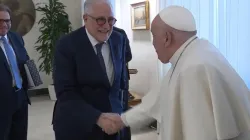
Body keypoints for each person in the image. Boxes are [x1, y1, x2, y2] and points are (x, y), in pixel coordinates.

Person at [107, 5, 250, 140]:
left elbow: (199, 133)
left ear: (167, 38)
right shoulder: (197, 51)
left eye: (154, 36)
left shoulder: (193, 69)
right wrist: (122, 120)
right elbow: (157, 100)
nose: (153, 43)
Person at [52, 0, 130, 140]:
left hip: (113, 125)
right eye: (100, 20)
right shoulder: (66, 45)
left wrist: (123, 118)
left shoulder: (118, 39)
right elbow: (65, 93)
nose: (107, 26)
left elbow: (121, 84)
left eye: (111, 20)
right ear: (86, 18)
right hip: (78, 126)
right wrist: (97, 117)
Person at [0, 4, 30, 140]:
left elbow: (24, 60)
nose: (4, 24)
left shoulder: (16, 37)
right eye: (0, 20)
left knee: (20, 135)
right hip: (2, 101)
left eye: (7, 20)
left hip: (20, 96)